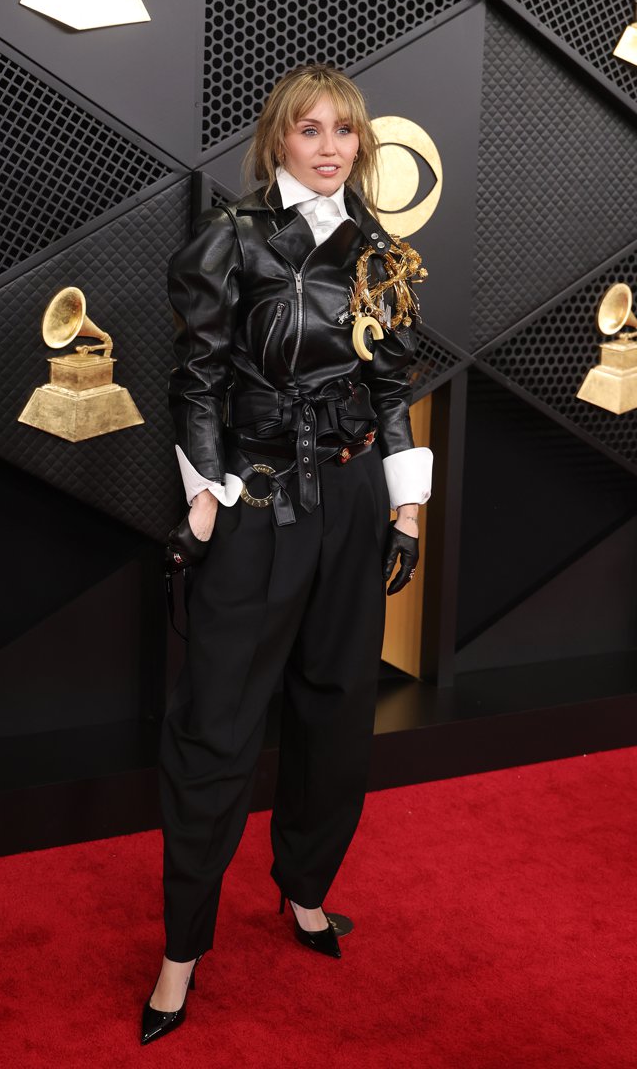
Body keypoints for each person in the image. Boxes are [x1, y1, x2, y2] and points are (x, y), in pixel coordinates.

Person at [141, 63, 433, 1044]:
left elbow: (392, 388)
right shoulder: (230, 239)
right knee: (216, 729)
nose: (328, 146)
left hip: (351, 502)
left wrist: (405, 509)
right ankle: (180, 953)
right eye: (309, 130)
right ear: (278, 141)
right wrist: (206, 503)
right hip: (259, 503)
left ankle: (304, 888)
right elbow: (196, 383)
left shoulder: (379, 250)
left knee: (336, 710)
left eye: (343, 130)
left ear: (361, 143)